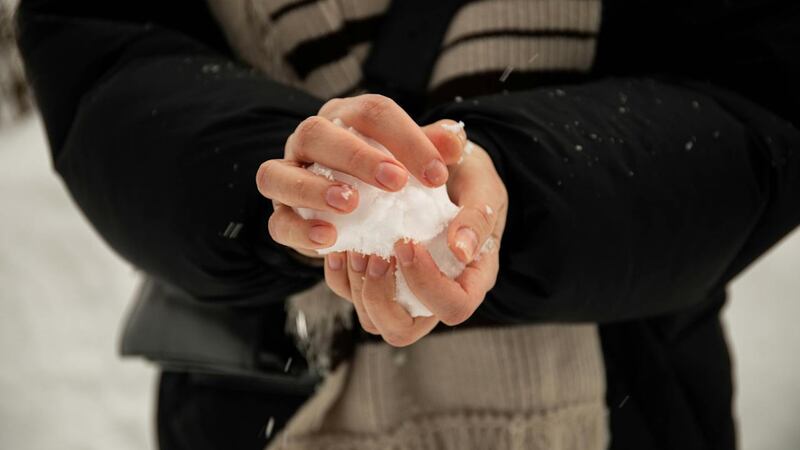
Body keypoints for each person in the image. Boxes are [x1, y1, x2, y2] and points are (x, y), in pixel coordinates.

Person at [15, 0, 800, 449]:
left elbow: (758, 95)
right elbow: (102, 60)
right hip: (257, 414)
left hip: (626, 404)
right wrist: (285, 177)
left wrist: (522, 186)